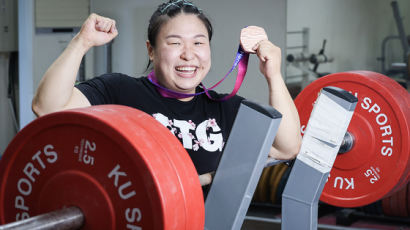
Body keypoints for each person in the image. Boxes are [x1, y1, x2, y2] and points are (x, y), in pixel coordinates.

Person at [32, 0, 302, 188]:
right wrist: (82, 42)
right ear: (151, 50)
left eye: (199, 42)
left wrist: (273, 75)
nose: (188, 54)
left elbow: (288, 146)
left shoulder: (224, 108)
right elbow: (47, 108)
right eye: (174, 43)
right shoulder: (120, 92)